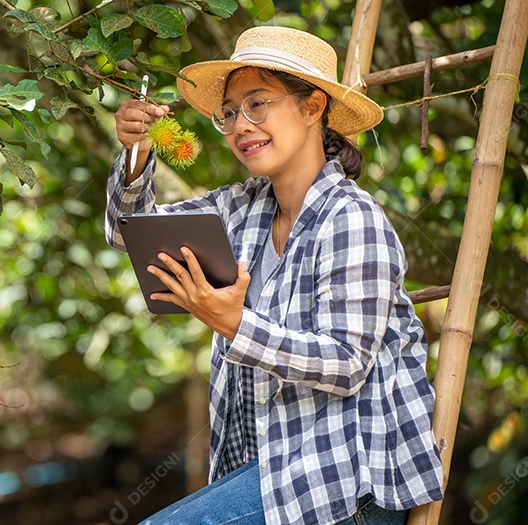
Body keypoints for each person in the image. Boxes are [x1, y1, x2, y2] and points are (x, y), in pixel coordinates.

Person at [105, 26, 445, 525]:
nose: (240, 126)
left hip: (349, 484)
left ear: (312, 108)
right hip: (270, 474)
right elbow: (130, 233)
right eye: (229, 113)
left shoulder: (351, 217)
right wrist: (137, 152)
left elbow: (347, 363)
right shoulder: (239, 208)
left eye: (257, 104)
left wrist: (235, 324)